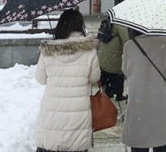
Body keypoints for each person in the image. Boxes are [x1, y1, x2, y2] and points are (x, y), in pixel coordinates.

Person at [34, 9, 100, 152]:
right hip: (78, 111)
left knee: (51, 144)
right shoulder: (89, 50)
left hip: (52, 111)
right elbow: (94, 77)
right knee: (76, 144)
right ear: (80, 26)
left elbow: (40, 79)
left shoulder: (48, 50)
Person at [122, 28, 166, 152]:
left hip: (138, 98)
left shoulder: (130, 45)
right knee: (162, 140)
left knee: (139, 141)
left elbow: (125, 70)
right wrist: (161, 81)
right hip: (161, 99)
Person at [98, 20, 129, 101]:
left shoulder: (109, 20)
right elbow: (126, 41)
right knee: (118, 75)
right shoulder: (121, 24)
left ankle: (106, 93)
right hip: (114, 56)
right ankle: (119, 95)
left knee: (106, 74)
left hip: (103, 55)